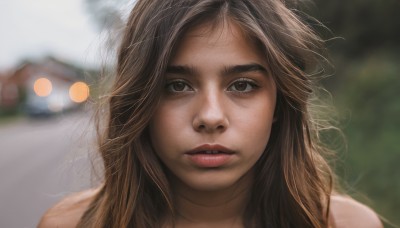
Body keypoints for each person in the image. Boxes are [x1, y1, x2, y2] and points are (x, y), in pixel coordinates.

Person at [38, 0, 383, 227]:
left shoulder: (349, 224)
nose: (211, 116)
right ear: (139, 102)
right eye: (176, 86)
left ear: (280, 103)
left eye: (243, 85)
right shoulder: (69, 224)